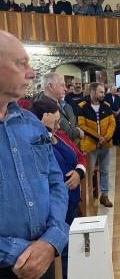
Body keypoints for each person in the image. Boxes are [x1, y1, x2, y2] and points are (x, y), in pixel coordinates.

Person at [0, 30, 68, 279]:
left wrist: (52, 239)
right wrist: (19, 251)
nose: (31, 72)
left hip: (43, 256)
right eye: (21, 64)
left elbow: (54, 182)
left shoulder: (30, 122)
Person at [30, 99, 87, 279]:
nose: (58, 125)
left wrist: (79, 173)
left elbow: (79, 157)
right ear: (44, 117)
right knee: (59, 250)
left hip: (71, 203)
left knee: (70, 247)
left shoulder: (60, 135)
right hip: (53, 209)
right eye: (55, 121)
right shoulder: (34, 141)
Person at [77, 83, 116, 207]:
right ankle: (87, 199)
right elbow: (82, 125)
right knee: (89, 173)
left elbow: (112, 123)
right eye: (101, 92)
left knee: (104, 171)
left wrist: (106, 138)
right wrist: (98, 137)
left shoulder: (107, 105)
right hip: (90, 145)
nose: (103, 94)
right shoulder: (82, 106)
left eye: (104, 92)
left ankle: (104, 196)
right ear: (92, 92)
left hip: (105, 144)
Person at [37, 72, 84, 143]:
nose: (66, 89)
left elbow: (74, 121)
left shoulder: (65, 104)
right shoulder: (42, 108)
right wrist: (78, 132)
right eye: (62, 85)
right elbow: (57, 136)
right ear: (51, 86)